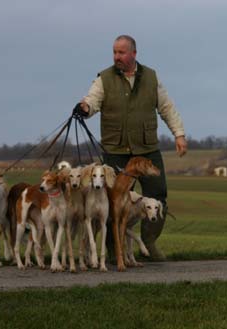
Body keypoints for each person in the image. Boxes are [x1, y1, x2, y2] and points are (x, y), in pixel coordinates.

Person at [78, 34, 187, 261]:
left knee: (158, 195)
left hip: (146, 149)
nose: (116, 56)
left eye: (121, 52)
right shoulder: (104, 78)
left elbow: (167, 107)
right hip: (116, 151)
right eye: (114, 52)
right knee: (111, 201)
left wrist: (179, 134)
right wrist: (84, 108)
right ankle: (112, 251)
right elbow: (92, 101)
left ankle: (149, 243)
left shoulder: (151, 77)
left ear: (134, 53)